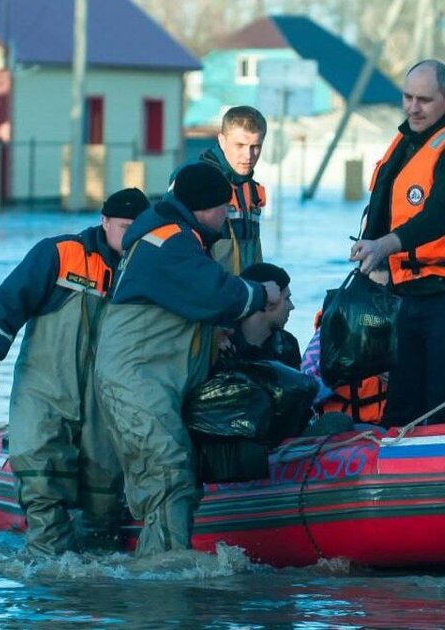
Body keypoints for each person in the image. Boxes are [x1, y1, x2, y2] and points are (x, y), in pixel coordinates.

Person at [93, 162, 281, 556]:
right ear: (201, 208)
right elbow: (214, 293)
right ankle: (164, 577)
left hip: (152, 380)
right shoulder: (170, 242)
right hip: (136, 381)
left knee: (175, 470)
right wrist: (262, 294)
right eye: (221, 208)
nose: (227, 215)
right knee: (167, 469)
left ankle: (163, 562)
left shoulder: (178, 238)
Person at [0, 187, 150, 556]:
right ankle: (47, 575)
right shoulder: (61, 254)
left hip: (107, 402)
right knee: (41, 480)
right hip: (45, 389)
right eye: (124, 227)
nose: (130, 237)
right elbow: (8, 301)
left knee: (104, 498)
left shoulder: (148, 269)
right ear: (105, 222)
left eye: (138, 229)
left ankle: (92, 581)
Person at [349, 59, 445, 427]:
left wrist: (385, 246)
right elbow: (383, 203)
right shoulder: (406, 144)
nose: (413, 108)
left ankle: (444, 478)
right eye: (407, 97)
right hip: (410, 296)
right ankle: (390, 478)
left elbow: (439, 215)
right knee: (401, 405)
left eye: (424, 99)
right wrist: (370, 257)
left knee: (442, 405)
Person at [196, 105, 268, 275]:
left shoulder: (251, 189)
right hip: (210, 293)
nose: (248, 156)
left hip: (244, 294)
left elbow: (253, 253)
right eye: (240, 145)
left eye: (255, 146)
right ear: (221, 140)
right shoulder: (195, 181)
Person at [221, 262, 300, 368]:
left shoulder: (288, 345)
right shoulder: (222, 344)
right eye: (287, 299)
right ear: (268, 303)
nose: (292, 306)